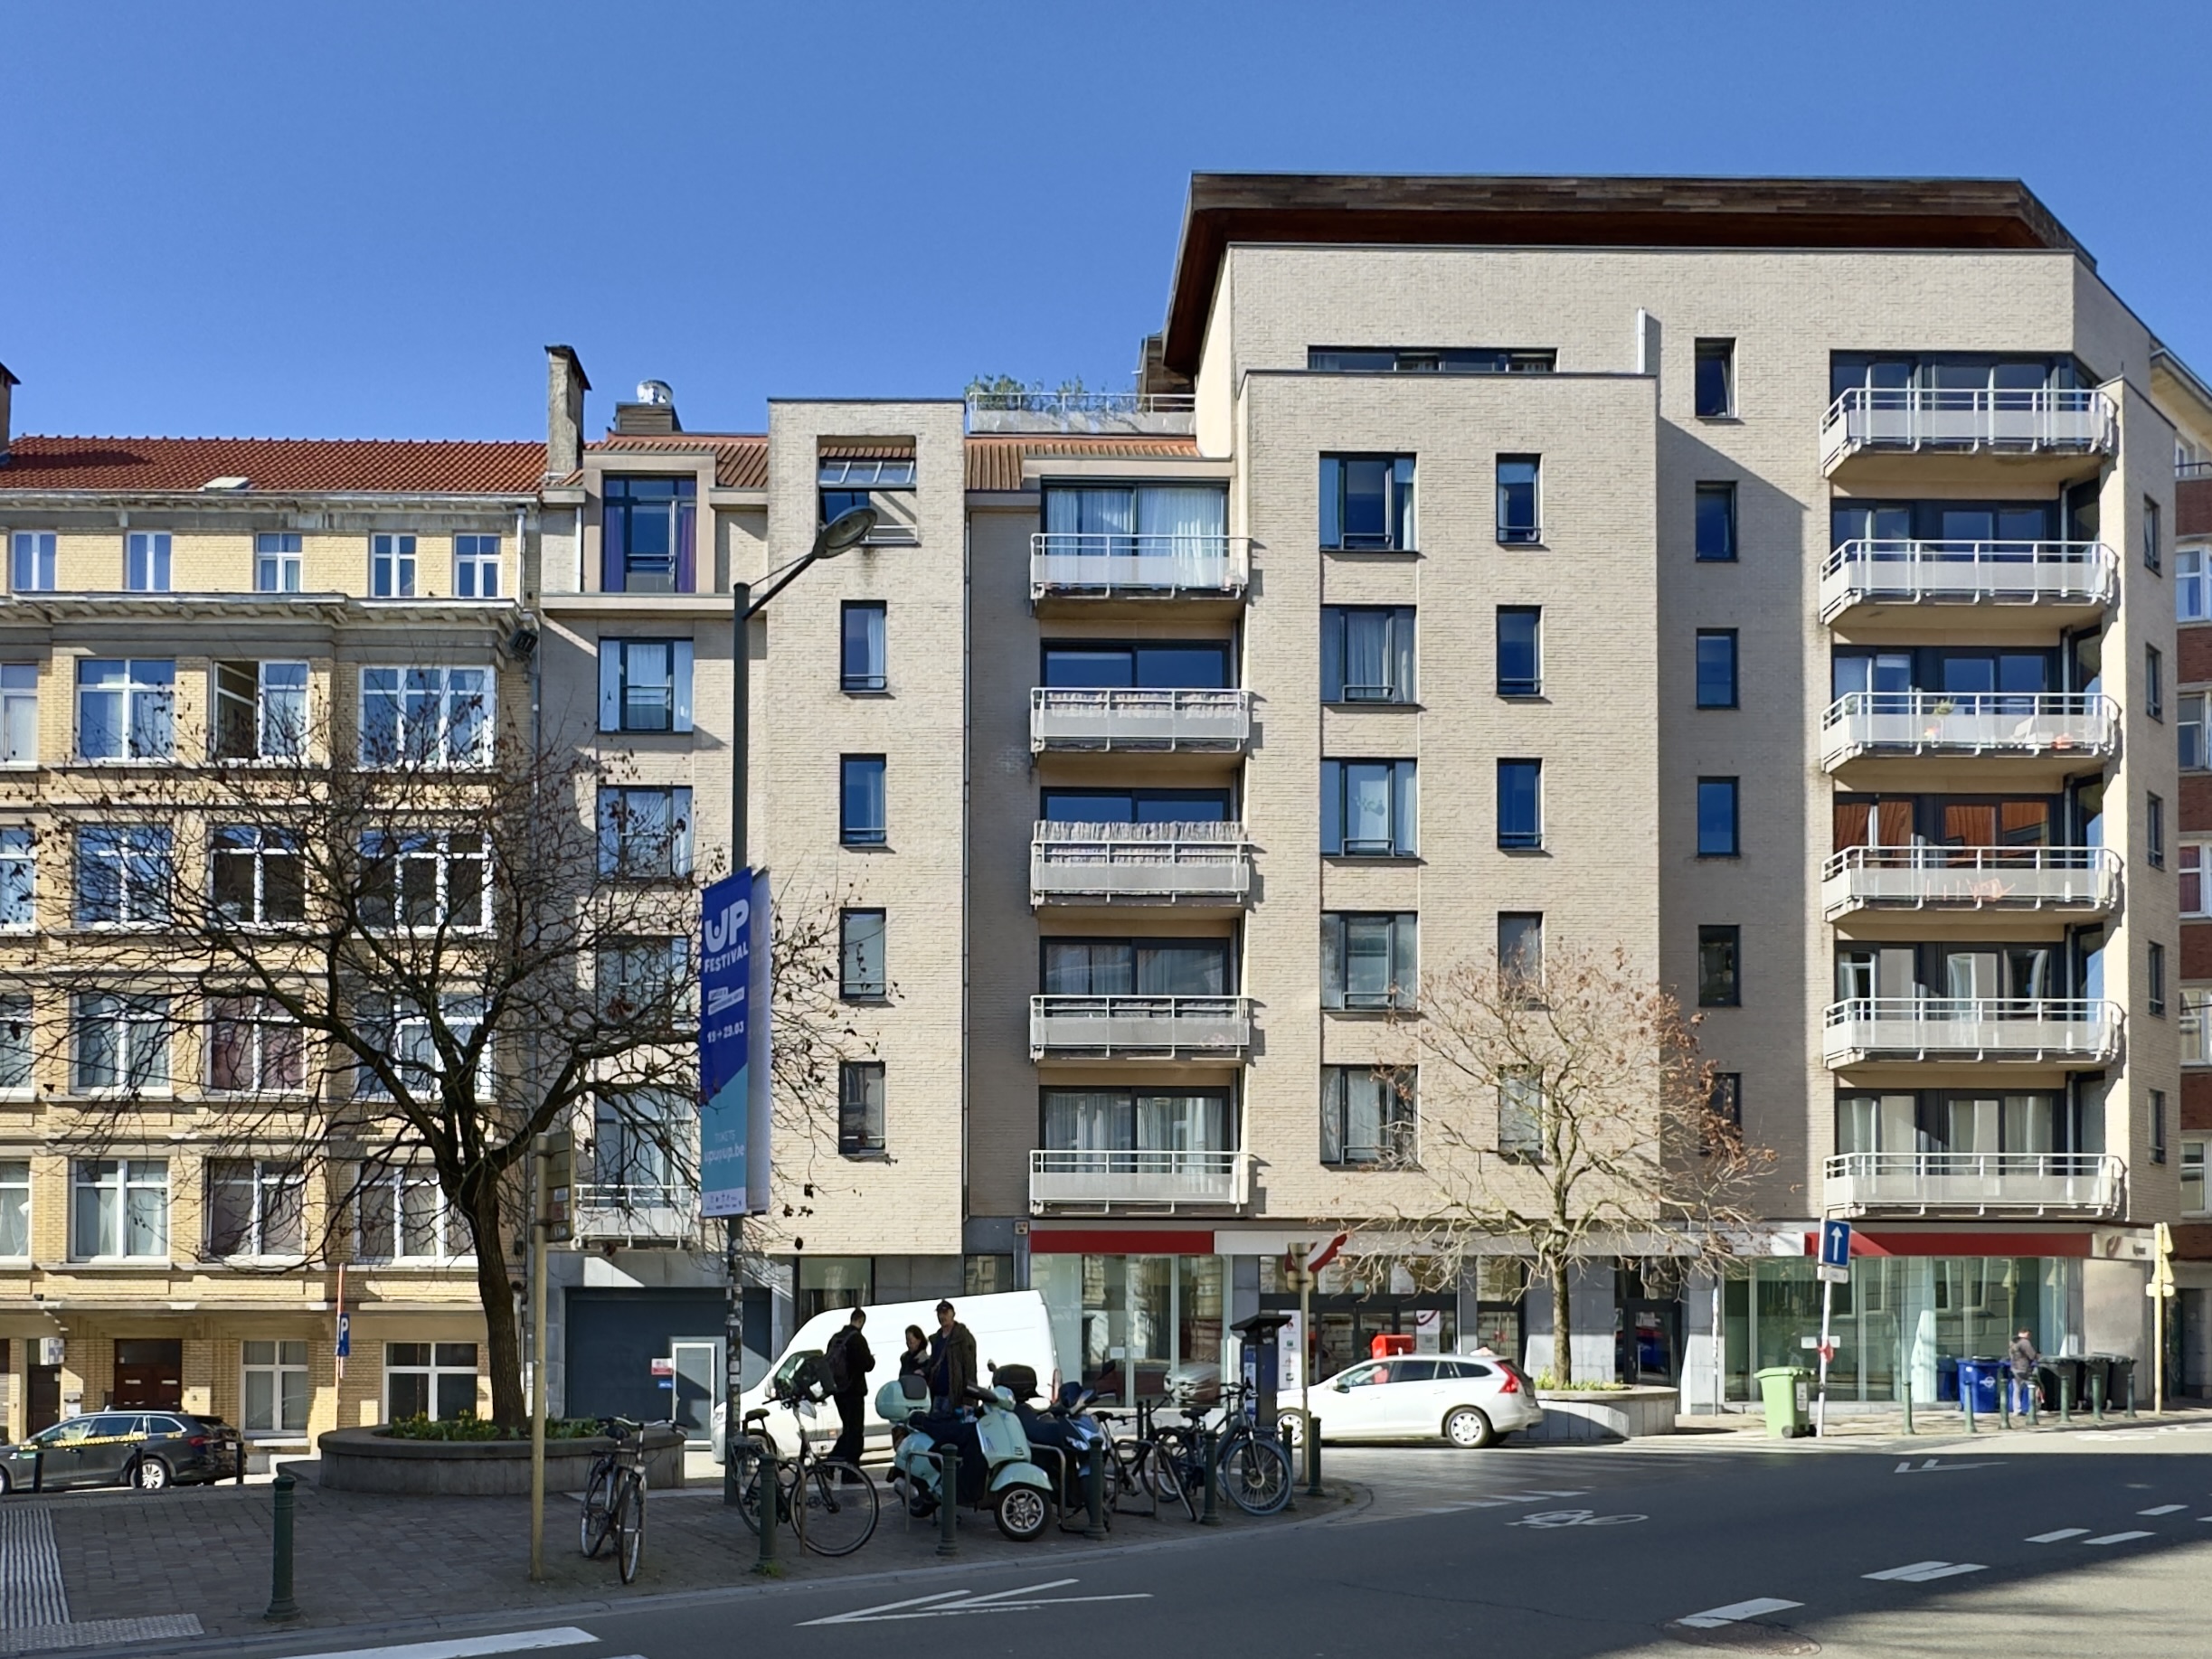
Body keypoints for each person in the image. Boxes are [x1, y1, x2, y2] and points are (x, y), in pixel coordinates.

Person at [823, 1307, 873, 1470]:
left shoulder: (836, 1338)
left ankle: (835, 1463)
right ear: (861, 1321)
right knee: (855, 1432)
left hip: (839, 1392)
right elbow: (868, 1364)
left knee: (848, 1430)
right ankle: (846, 1468)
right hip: (854, 1391)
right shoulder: (857, 1339)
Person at [927, 1299, 978, 1412]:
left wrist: (968, 1401)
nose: (942, 1316)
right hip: (937, 1395)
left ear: (953, 1314)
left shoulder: (963, 1338)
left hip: (955, 1397)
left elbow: (970, 1370)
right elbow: (932, 1365)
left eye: (945, 1313)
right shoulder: (936, 1339)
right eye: (939, 1313)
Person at [2007, 1328, 2040, 1419]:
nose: (2030, 1337)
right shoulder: (2025, 1342)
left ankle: (2017, 1410)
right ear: (2026, 1334)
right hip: (2024, 1369)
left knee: (2017, 1389)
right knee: (2034, 1387)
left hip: (2014, 1368)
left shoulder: (2013, 1342)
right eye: (2029, 1335)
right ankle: (2034, 1409)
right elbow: (2032, 1355)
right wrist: (2038, 1356)